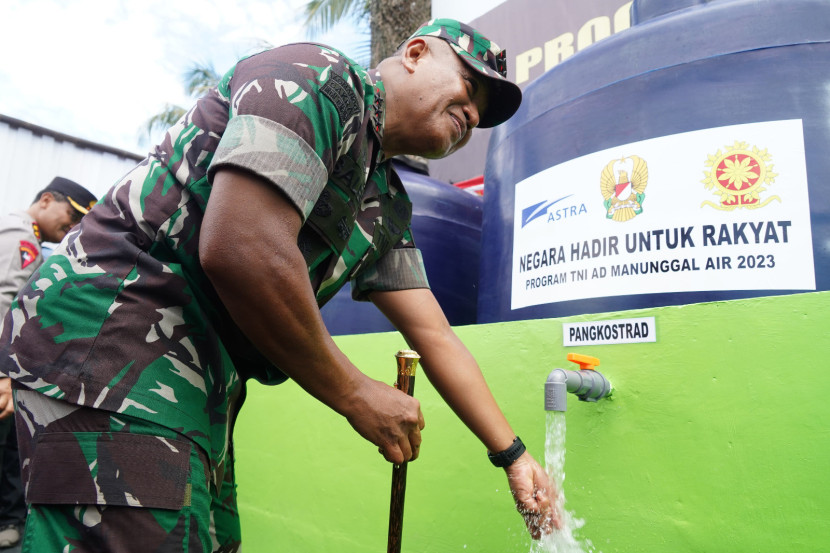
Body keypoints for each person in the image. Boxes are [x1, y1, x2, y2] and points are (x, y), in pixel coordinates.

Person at [0, 19, 558, 552]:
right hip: (109, 338)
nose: (471, 113)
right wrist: (355, 392)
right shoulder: (318, 79)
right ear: (414, 55)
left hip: (194, 382)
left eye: (481, 114)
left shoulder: (384, 201)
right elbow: (242, 249)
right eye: (468, 84)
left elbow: (434, 333)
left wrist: (511, 454)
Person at [0, 177, 97, 548]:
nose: (71, 228)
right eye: (70, 215)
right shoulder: (22, 239)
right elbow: (6, 306)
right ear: (45, 200)